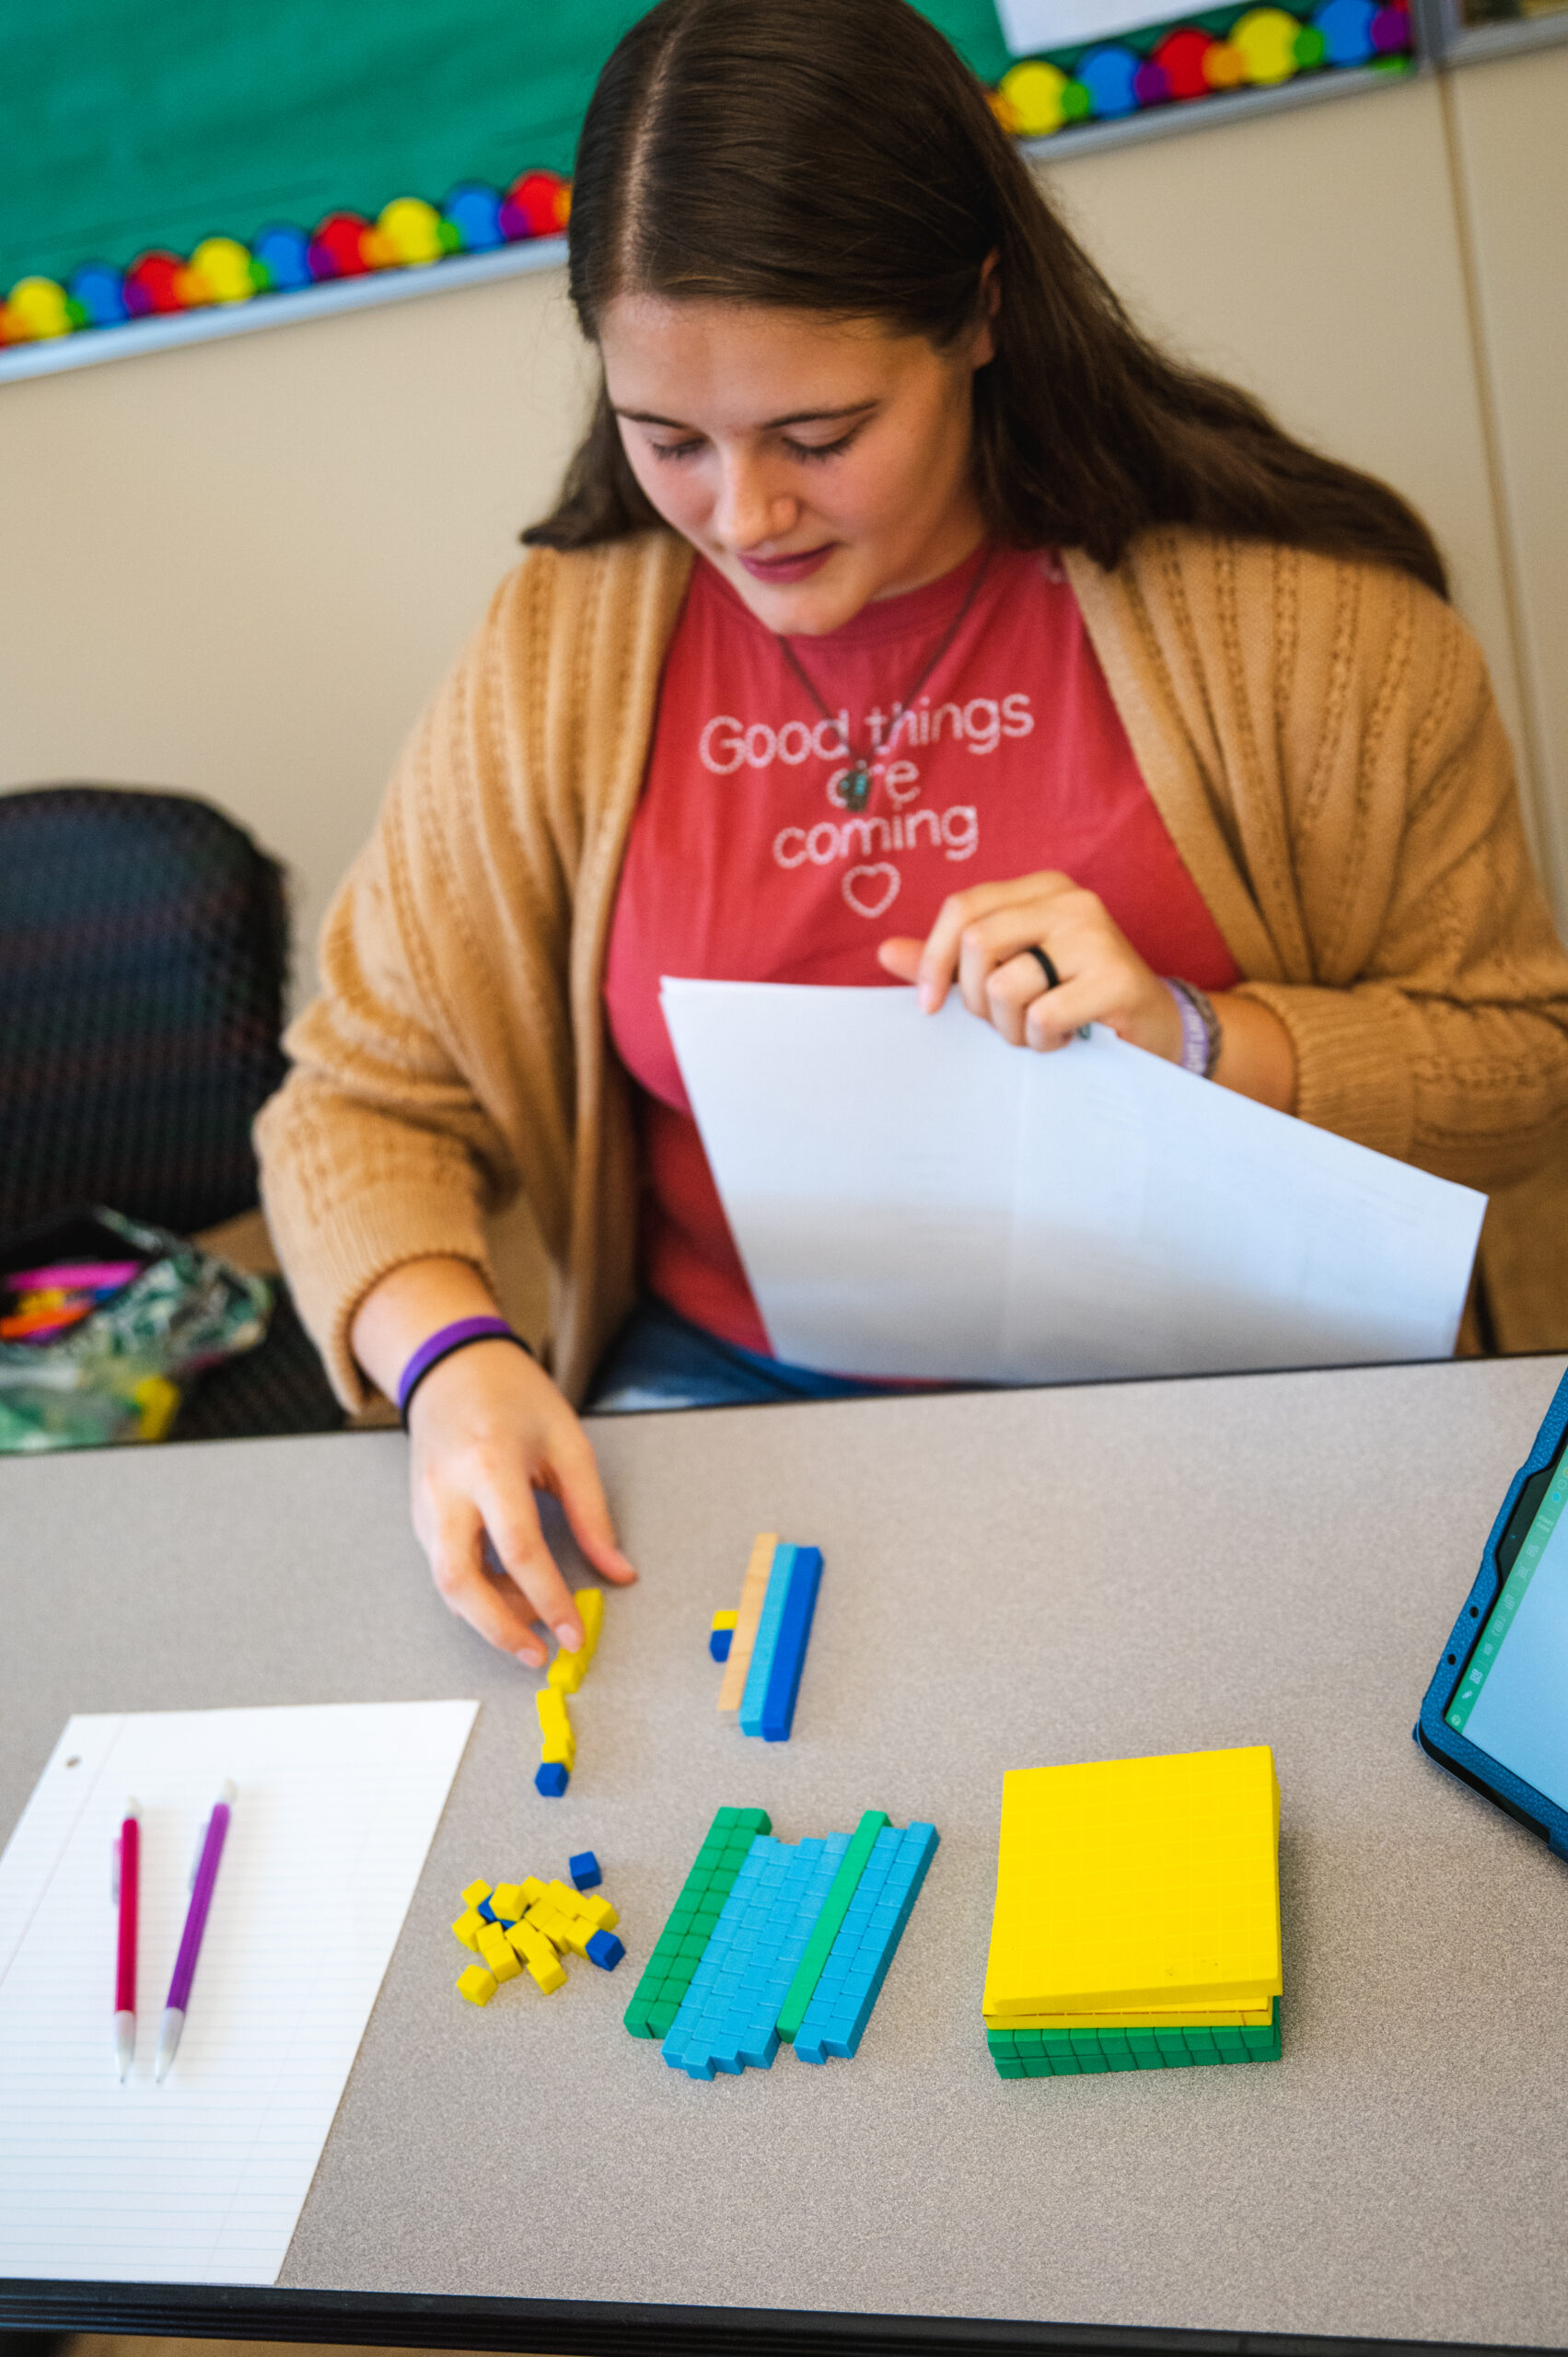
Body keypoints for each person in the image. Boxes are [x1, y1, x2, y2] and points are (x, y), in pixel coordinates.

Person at [256, 0, 1568, 1666]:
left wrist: (1199, 1037)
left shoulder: (1310, 630)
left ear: (979, 315)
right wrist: (449, 1359)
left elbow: (1523, 1074)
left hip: (1239, 1381)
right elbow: (358, 1096)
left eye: (820, 437)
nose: (748, 517)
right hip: (743, 1400)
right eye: (670, 441)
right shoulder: (560, 650)